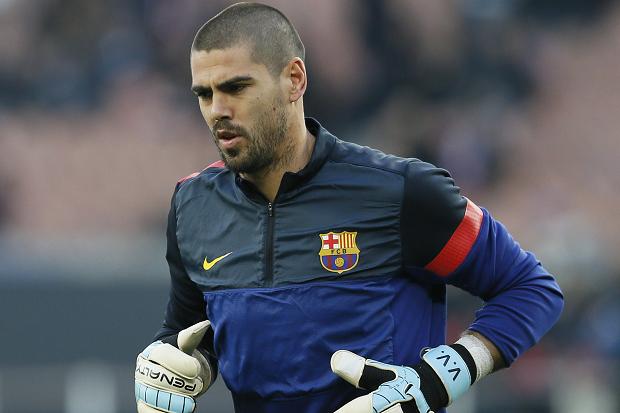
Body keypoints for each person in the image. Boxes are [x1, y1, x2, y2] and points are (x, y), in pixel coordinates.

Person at [134, 3, 564, 413]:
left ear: (294, 80)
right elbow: (191, 333)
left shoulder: (401, 191)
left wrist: (439, 379)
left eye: (235, 88)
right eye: (204, 94)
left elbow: (529, 288)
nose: (217, 110)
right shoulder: (192, 205)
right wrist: (174, 367)